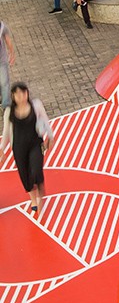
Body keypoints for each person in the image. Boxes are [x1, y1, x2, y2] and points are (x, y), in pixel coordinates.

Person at [1, 82, 54, 218]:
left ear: (27, 93)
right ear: (13, 96)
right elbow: (6, 132)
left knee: (36, 169)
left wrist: (50, 136)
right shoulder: (9, 112)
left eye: (23, 93)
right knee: (25, 175)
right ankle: (33, 198)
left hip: (36, 143)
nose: (21, 96)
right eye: (17, 94)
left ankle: (40, 189)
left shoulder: (36, 105)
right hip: (19, 147)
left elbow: (44, 119)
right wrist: (2, 149)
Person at [0, 19, 15, 108]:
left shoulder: (2, 27)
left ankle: (6, 105)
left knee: (4, 82)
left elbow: (7, 40)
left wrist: (11, 53)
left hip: (1, 60)